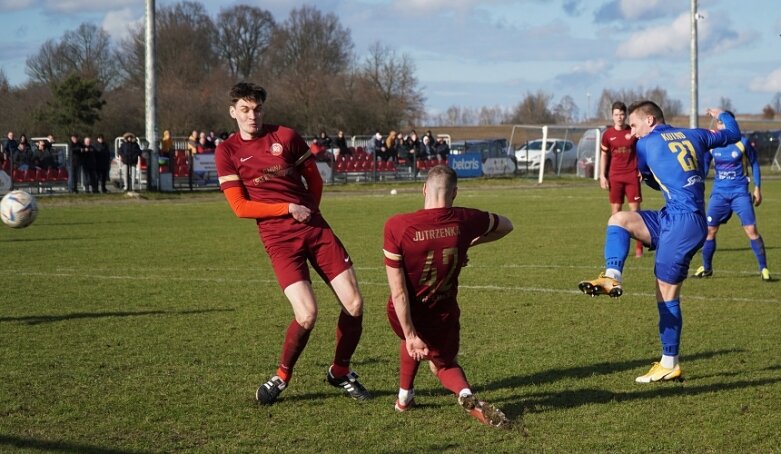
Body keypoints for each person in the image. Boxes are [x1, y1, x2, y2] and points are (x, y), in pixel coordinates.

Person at [215, 82, 370, 405]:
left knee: (354, 304)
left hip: (314, 229)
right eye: (244, 109)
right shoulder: (226, 151)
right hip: (279, 238)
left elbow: (314, 179)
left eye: (256, 109)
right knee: (307, 315)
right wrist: (287, 208)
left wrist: (310, 210)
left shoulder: (285, 136)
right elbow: (240, 207)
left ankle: (340, 371)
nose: (251, 115)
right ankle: (282, 376)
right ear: (233, 112)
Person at [578, 101, 741, 384]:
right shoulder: (697, 134)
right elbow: (733, 134)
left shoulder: (644, 145)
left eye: (634, 126)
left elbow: (649, 178)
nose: (632, 133)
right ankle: (611, 276)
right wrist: (722, 115)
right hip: (673, 216)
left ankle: (670, 363)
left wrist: (653, 176)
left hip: (684, 223)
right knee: (619, 220)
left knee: (666, 294)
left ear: (650, 120)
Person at [383, 165, 514, 427]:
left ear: (424, 189)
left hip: (405, 311)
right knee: (443, 365)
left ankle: (404, 399)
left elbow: (398, 292)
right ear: (454, 193)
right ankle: (466, 395)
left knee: (414, 341)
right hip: (442, 313)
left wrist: (410, 334)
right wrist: (468, 242)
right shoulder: (465, 220)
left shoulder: (397, 225)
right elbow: (506, 225)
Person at [693, 111, 771, 281]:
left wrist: (757, 188)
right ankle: (706, 268)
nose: (719, 125)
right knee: (709, 231)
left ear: (731, 124)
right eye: (718, 122)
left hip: (740, 193)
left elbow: (755, 164)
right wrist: (697, 181)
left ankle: (764, 269)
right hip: (719, 194)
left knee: (751, 230)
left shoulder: (742, 142)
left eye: (723, 122)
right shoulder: (713, 145)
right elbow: (705, 166)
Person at [600, 101, 643, 258]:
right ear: (612, 116)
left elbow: (641, 151)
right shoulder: (607, 135)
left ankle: (639, 248)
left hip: (632, 176)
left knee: (636, 213)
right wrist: (602, 175)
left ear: (625, 116)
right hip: (615, 177)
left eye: (622, 114)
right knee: (615, 213)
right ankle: (616, 248)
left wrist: (642, 169)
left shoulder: (632, 132)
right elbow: (604, 155)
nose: (619, 117)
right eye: (616, 114)